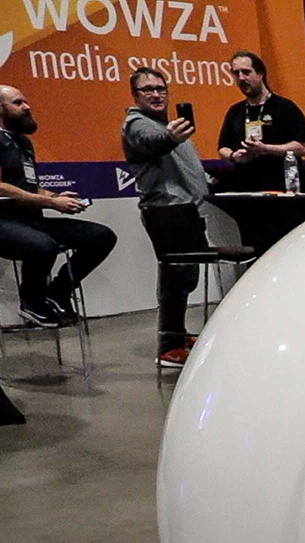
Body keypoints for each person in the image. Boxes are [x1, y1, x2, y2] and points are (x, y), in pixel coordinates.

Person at [0, 85, 116, 329]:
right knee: (43, 245)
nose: (27, 107)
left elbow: (28, 185)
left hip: (31, 220)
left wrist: (56, 196)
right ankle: (32, 303)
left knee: (101, 236)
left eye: (26, 101)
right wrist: (50, 202)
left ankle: (57, 292)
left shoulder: (23, 142)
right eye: (18, 103)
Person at [122, 67, 211, 369]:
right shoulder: (137, 123)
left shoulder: (169, 125)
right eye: (148, 89)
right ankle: (169, 348)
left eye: (161, 88)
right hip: (166, 212)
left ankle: (177, 334)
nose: (156, 94)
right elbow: (151, 141)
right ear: (135, 95)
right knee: (176, 278)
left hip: (185, 210)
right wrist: (170, 136)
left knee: (185, 277)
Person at [217, 51, 305, 192]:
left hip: (280, 188)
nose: (241, 78)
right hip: (244, 188)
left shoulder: (285, 107)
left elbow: (304, 148)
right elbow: (222, 148)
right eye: (236, 73)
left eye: (246, 72)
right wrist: (233, 156)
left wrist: (266, 149)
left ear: (260, 74)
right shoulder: (235, 111)